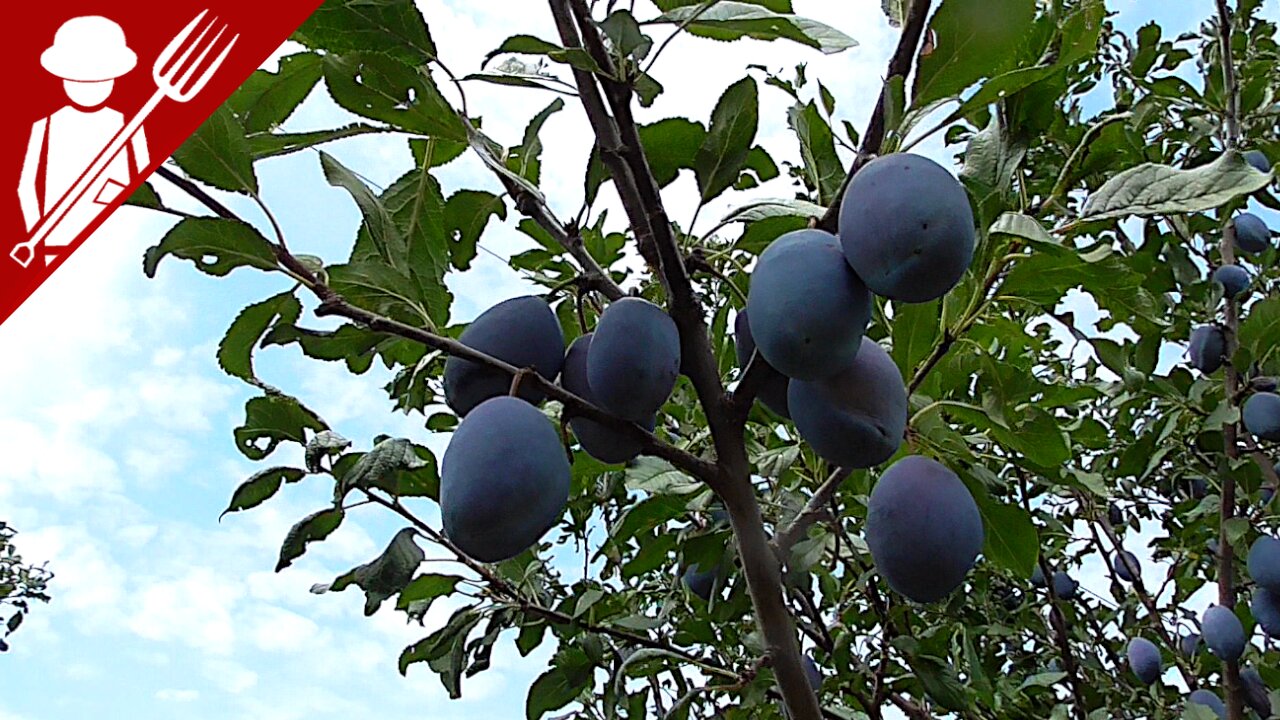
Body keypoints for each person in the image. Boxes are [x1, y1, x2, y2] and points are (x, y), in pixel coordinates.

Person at [17, 16, 150, 266]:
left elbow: (142, 171)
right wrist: (37, 234)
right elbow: (26, 186)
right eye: (78, 78)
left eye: (99, 78)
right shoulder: (44, 126)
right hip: (56, 239)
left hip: (118, 239)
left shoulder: (128, 124)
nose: (89, 86)